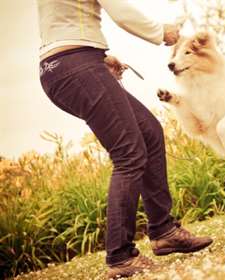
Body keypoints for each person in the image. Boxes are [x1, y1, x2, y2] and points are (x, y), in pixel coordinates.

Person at [36, 1, 213, 279]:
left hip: (60, 67)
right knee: (128, 155)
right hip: (77, 66)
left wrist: (98, 56)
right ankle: (120, 257)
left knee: (149, 132)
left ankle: (164, 230)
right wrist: (160, 32)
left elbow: (61, 21)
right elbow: (121, 12)